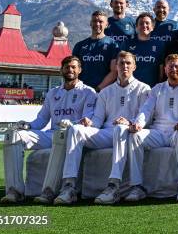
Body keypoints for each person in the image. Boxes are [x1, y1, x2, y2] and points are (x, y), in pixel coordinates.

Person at [53, 51, 151, 205]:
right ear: (116, 66)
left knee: (120, 128)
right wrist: (89, 123)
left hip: (128, 132)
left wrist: (129, 122)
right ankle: (69, 186)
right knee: (76, 129)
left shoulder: (144, 89)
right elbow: (98, 120)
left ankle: (113, 186)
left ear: (134, 66)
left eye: (128, 63)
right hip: (107, 133)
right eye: (121, 63)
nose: (124, 66)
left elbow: (146, 116)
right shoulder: (106, 92)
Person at [1, 56, 97, 204]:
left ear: (79, 70)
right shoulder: (53, 93)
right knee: (13, 136)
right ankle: (15, 191)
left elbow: (87, 121)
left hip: (70, 136)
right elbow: (41, 120)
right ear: (61, 70)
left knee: (61, 135)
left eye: (73, 67)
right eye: (67, 67)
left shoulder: (88, 92)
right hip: (50, 134)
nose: (70, 70)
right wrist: (27, 126)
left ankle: (48, 192)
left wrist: (72, 123)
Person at [124, 54, 178, 202]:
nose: (173, 69)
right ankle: (136, 186)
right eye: (170, 66)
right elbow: (146, 109)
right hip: (158, 132)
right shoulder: (157, 89)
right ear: (165, 69)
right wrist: (139, 123)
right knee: (135, 136)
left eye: (177, 66)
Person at [72, 10, 119, 91]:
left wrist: (98, 89)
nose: (97, 24)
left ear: (107, 24)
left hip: (104, 92)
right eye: (94, 21)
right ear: (90, 23)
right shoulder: (79, 45)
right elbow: (73, 70)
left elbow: (114, 72)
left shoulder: (113, 45)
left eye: (100, 22)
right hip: (81, 91)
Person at [121, 13, 165, 87]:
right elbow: (120, 66)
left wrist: (159, 86)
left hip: (151, 89)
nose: (144, 25)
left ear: (152, 27)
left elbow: (161, 69)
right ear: (137, 27)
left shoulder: (159, 45)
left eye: (147, 23)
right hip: (130, 88)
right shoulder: (127, 44)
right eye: (141, 23)